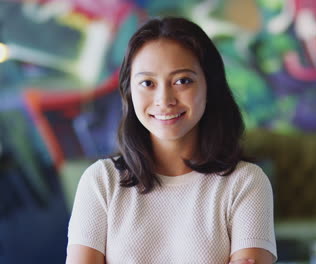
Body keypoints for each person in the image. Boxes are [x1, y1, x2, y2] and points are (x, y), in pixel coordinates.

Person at [66, 17, 277, 264]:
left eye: (182, 81)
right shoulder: (101, 181)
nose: (164, 99)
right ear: (129, 92)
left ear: (210, 86)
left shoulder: (245, 182)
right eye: (147, 83)